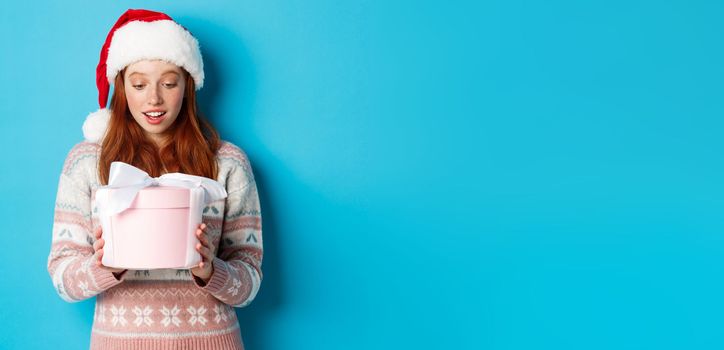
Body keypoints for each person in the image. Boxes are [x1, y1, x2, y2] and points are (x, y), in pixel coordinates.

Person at [47, 9, 262, 350]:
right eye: (139, 83)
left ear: (187, 86)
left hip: (211, 341)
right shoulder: (87, 162)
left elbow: (249, 283)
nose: (154, 99)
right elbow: (62, 279)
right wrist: (105, 265)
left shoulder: (227, 163)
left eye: (168, 82)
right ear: (122, 87)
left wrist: (210, 269)